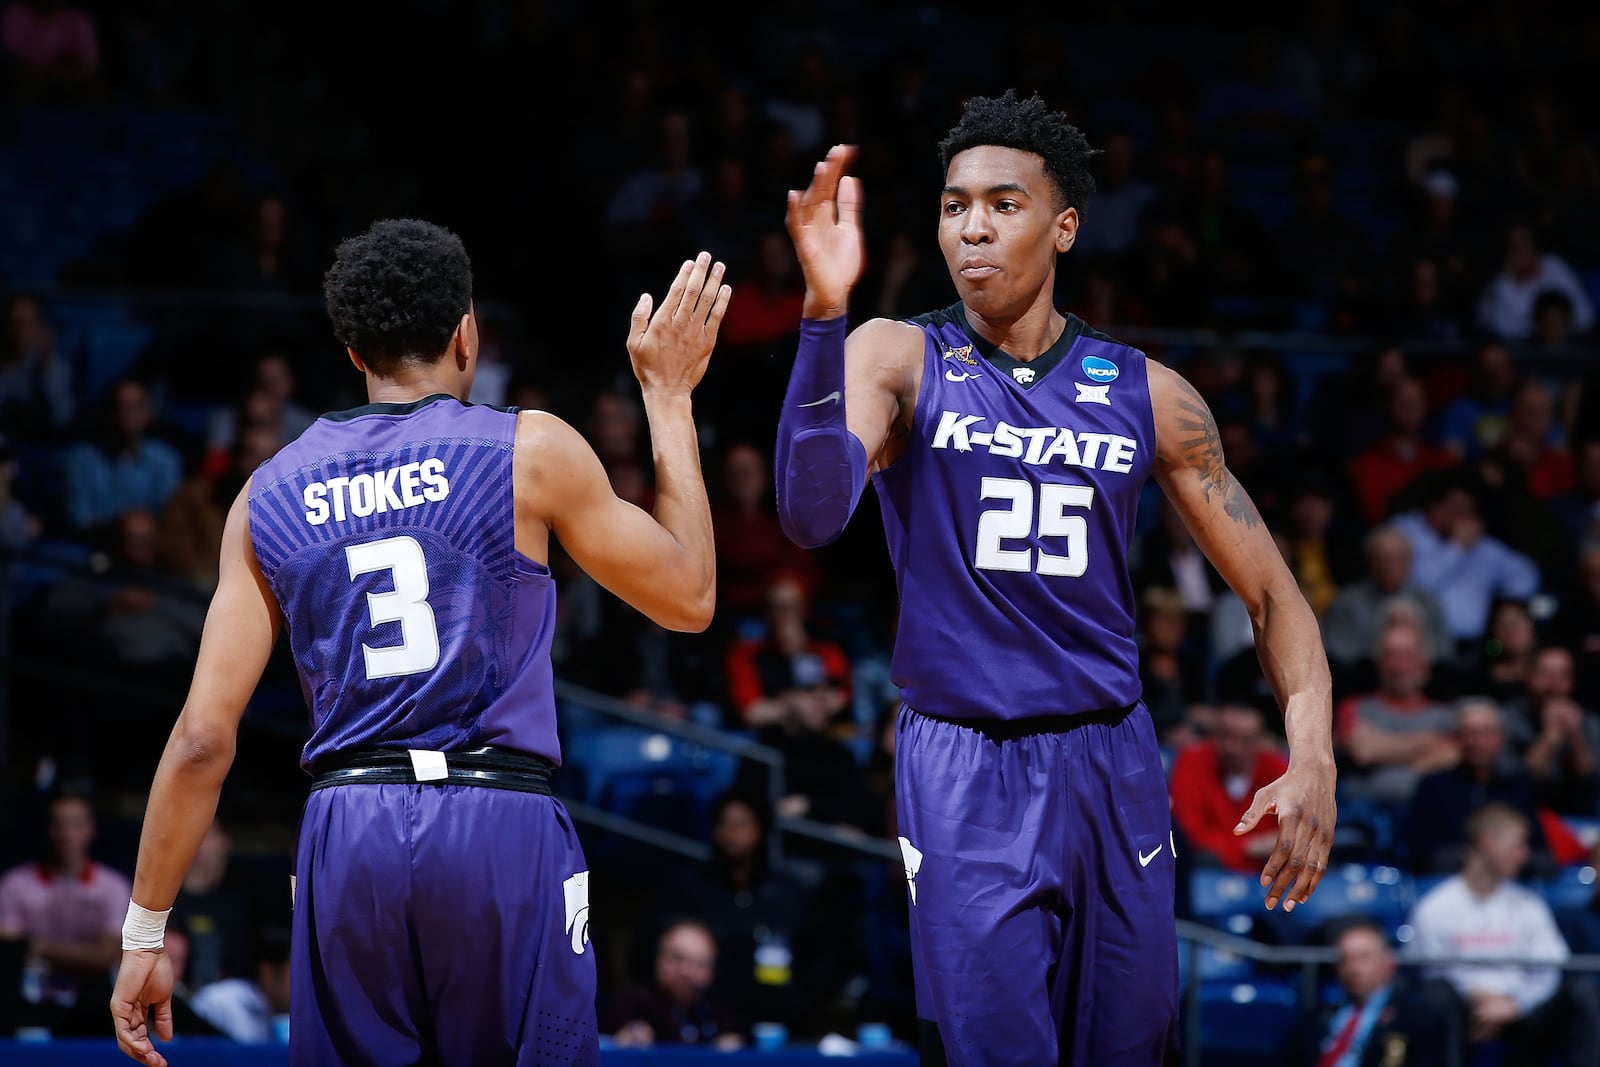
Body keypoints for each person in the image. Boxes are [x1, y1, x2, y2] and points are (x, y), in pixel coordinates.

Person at [772, 90, 1336, 1064]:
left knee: (1129, 1045)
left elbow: (1272, 594)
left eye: (1002, 203)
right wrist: (825, 313)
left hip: (1108, 760)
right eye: (954, 206)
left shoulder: (1147, 392)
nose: (972, 227)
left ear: (1063, 224)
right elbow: (811, 512)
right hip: (964, 763)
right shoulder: (898, 353)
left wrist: (1313, 748)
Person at [107, 219, 732, 1067]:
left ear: (351, 349)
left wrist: (145, 931)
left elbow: (201, 740)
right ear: (467, 333)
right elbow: (691, 597)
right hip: (496, 819)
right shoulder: (528, 448)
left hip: (347, 829)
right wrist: (668, 397)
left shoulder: (266, 495)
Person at [1407, 803, 1600, 1067]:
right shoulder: (1435, 907)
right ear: (1487, 843)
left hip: (1523, 1014)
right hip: (1464, 1011)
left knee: (1583, 992)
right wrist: (1479, 995)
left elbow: (1551, 969)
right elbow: (1430, 972)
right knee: (1436, 998)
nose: (1525, 855)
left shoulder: (1529, 905)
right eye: (1518, 845)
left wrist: (1515, 1005)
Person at [0, 788, 132, 1036]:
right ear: (47, 830)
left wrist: (39, 946)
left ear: (90, 829)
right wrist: (80, 956)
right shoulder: (14, 884)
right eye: (58, 824)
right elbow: (11, 954)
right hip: (29, 1003)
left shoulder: (114, 887)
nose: (66, 834)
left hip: (95, 1006)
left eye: (75, 824)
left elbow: (106, 956)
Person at [1290, 917, 1443, 1067]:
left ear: (1389, 962)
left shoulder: (1413, 1018)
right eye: (1345, 959)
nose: (1353, 969)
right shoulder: (1319, 1016)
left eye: (1364, 958)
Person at [602, 919, 746, 1049]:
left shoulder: (719, 1016)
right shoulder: (630, 1006)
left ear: (712, 972)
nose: (686, 972)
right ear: (658, 960)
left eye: (699, 964)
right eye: (677, 959)